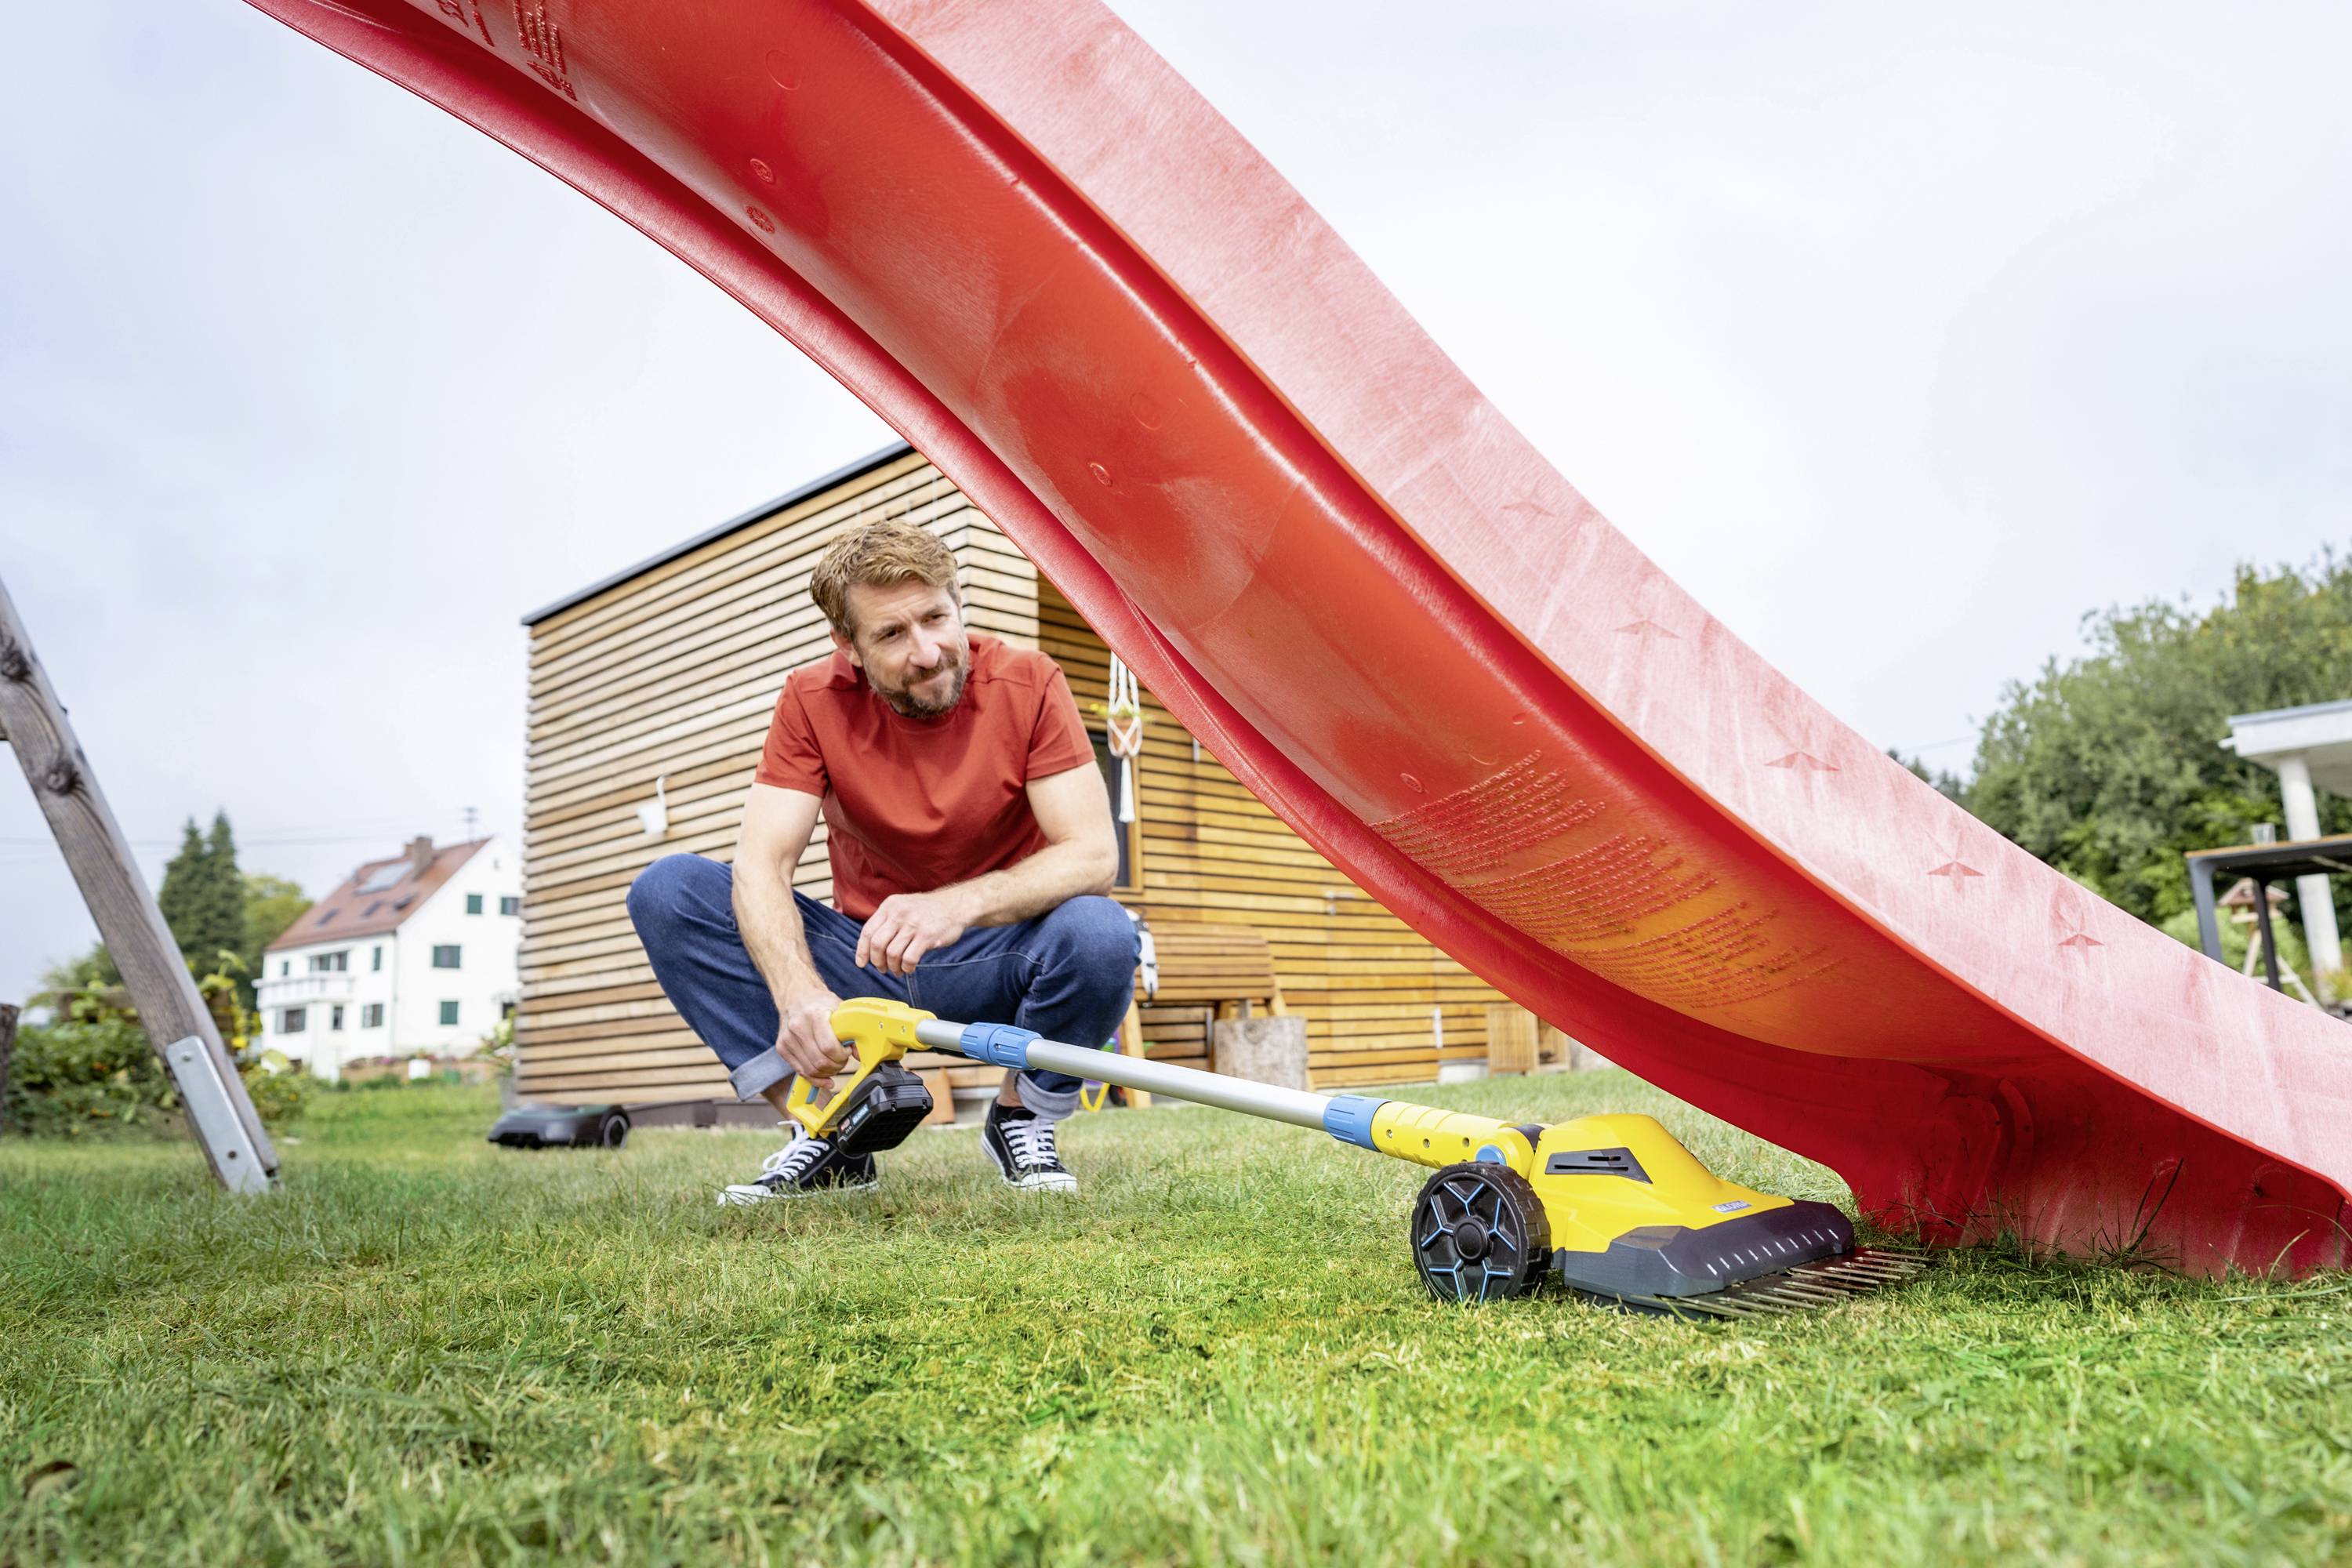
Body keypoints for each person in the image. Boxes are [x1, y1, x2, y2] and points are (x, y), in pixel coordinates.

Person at [626, 518, 1138, 1204]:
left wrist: (955, 904)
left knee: (1102, 932)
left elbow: (1093, 853)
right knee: (669, 891)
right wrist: (798, 994)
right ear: (849, 647)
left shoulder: (1030, 682)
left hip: (1004, 957)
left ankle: (1020, 1117)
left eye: (935, 618)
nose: (926, 653)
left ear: (960, 605)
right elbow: (762, 866)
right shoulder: (811, 700)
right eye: (891, 635)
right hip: (870, 962)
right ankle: (828, 1130)